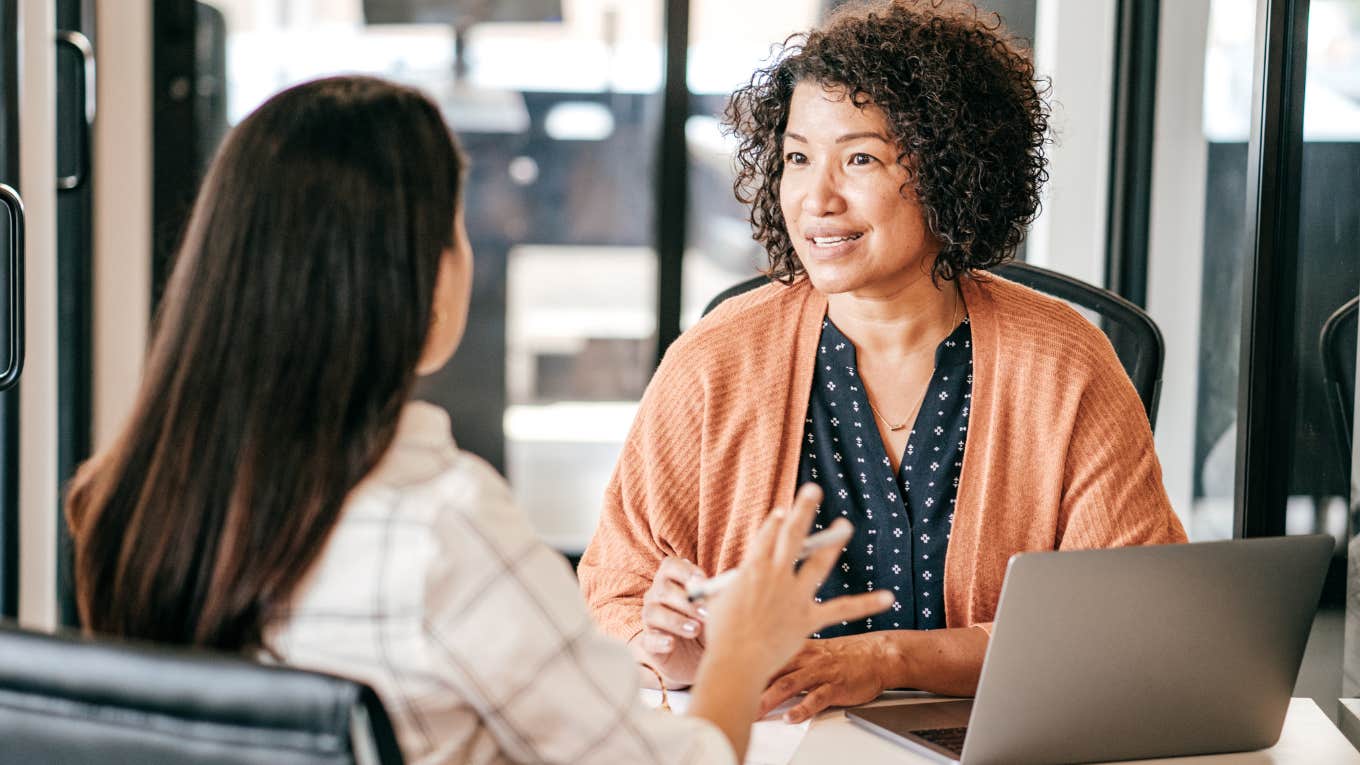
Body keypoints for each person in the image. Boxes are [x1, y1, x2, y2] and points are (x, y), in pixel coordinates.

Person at [64, 76, 891, 765]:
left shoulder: (127, 499)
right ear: (413, 279)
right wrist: (742, 649)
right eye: (457, 229)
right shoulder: (442, 525)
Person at [578, 0, 1187, 725]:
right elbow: (614, 592)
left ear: (952, 170)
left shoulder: (1064, 362)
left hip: (994, 743)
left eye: (860, 158)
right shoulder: (715, 360)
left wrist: (888, 659)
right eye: (799, 158)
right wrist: (670, 648)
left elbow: (1124, 623)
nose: (817, 199)